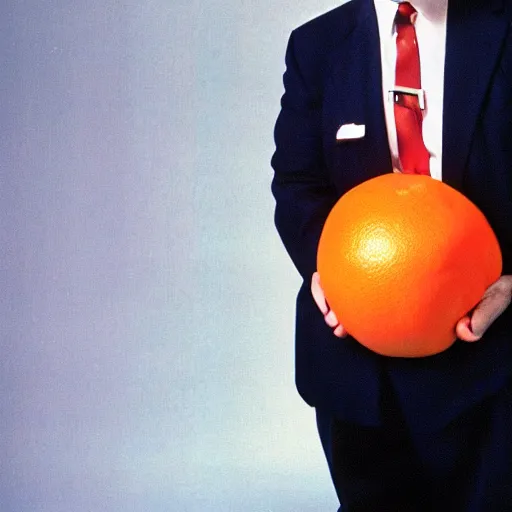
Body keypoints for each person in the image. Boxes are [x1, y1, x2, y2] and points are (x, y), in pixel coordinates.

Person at [271, 0, 512, 510]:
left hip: (496, 354)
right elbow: (297, 184)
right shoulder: (316, 45)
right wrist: (328, 267)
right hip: (358, 369)